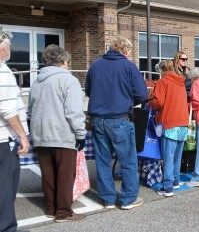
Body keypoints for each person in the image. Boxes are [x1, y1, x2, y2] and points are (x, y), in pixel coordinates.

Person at [85, 36, 148, 210]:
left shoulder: (95, 65)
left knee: (102, 161)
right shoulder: (128, 66)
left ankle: (108, 199)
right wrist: (127, 98)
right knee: (128, 161)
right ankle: (128, 199)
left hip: (98, 120)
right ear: (126, 51)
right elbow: (142, 94)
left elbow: (89, 90)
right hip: (120, 119)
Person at [28, 45, 87, 222]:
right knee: (65, 175)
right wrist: (80, 134)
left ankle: (51, 208)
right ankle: (63, 212)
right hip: (62, 134)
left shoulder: (37, 81)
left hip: (41, 134)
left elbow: (30, 110)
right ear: (63, 61)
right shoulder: (69, 80)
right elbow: (74, 111)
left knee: (48, 175)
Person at [0, 30, 30, 232]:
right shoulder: (2, 71)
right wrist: (22, 136)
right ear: (2, 48)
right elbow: (7, 109)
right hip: (3, 139)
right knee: (5, 186)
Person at [151, 59, 189, 196]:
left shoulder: (163, 82)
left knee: (168, 157)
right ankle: (175, 181)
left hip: (170, 122)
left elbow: (159, 102)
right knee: (177, 156)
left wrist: (151, 104)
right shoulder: (181, 83)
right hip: (183, 122)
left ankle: (167, 187)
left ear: (161, 70)